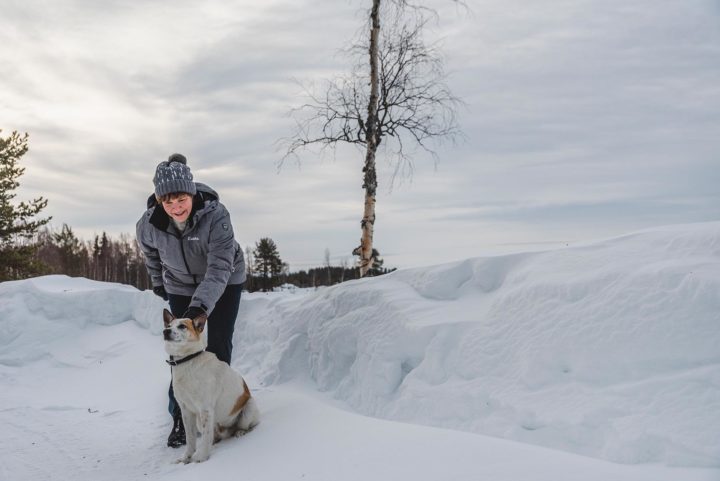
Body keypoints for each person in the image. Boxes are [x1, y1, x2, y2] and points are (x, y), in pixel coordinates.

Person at [136, 153, 246, 447]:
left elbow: (220, 266)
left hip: (225, 281)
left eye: (181, 199)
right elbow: (151, 256)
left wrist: (201, 307)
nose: (176, 207)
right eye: (168, 202)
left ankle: (218, 415)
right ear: (160, 201)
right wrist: (160, 283)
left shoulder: (216, 215)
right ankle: (180, 420)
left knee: (218, 346)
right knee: (180, 352)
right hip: (180, 284)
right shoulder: (148, 225)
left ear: (192, 193)